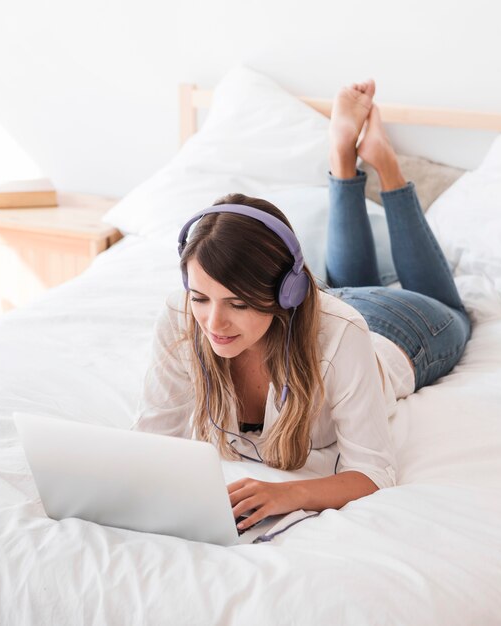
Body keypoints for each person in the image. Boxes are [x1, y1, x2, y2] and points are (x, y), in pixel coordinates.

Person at [131, 79, 471, 532]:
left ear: (285, 293)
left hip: (398, 327)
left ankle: (385, 165)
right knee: (349, 282)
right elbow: (152, 445)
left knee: (451, 308)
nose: (213, 322)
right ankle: (343, 161)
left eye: (238, 302)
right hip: (330, 308)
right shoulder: (180, 317)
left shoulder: (341, 332)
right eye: (200, 297)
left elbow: (374, 472)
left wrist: (286, 494)